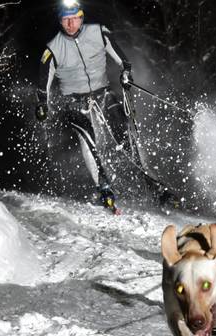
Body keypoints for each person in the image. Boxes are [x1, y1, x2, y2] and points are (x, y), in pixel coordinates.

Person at [34, 0, 137, 211]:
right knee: (88, 136)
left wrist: (126, 74)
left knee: (122, 124)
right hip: (73, 101)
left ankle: (140, 170)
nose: (70, 24)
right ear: (60, 22)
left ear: (81, 17)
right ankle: (104, 186)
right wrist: (42, 104)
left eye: (74, 19)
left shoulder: (99, 33)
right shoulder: (53, 48)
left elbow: (123, 61)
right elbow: (43, 82)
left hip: (102, 93)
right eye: (65, 20)